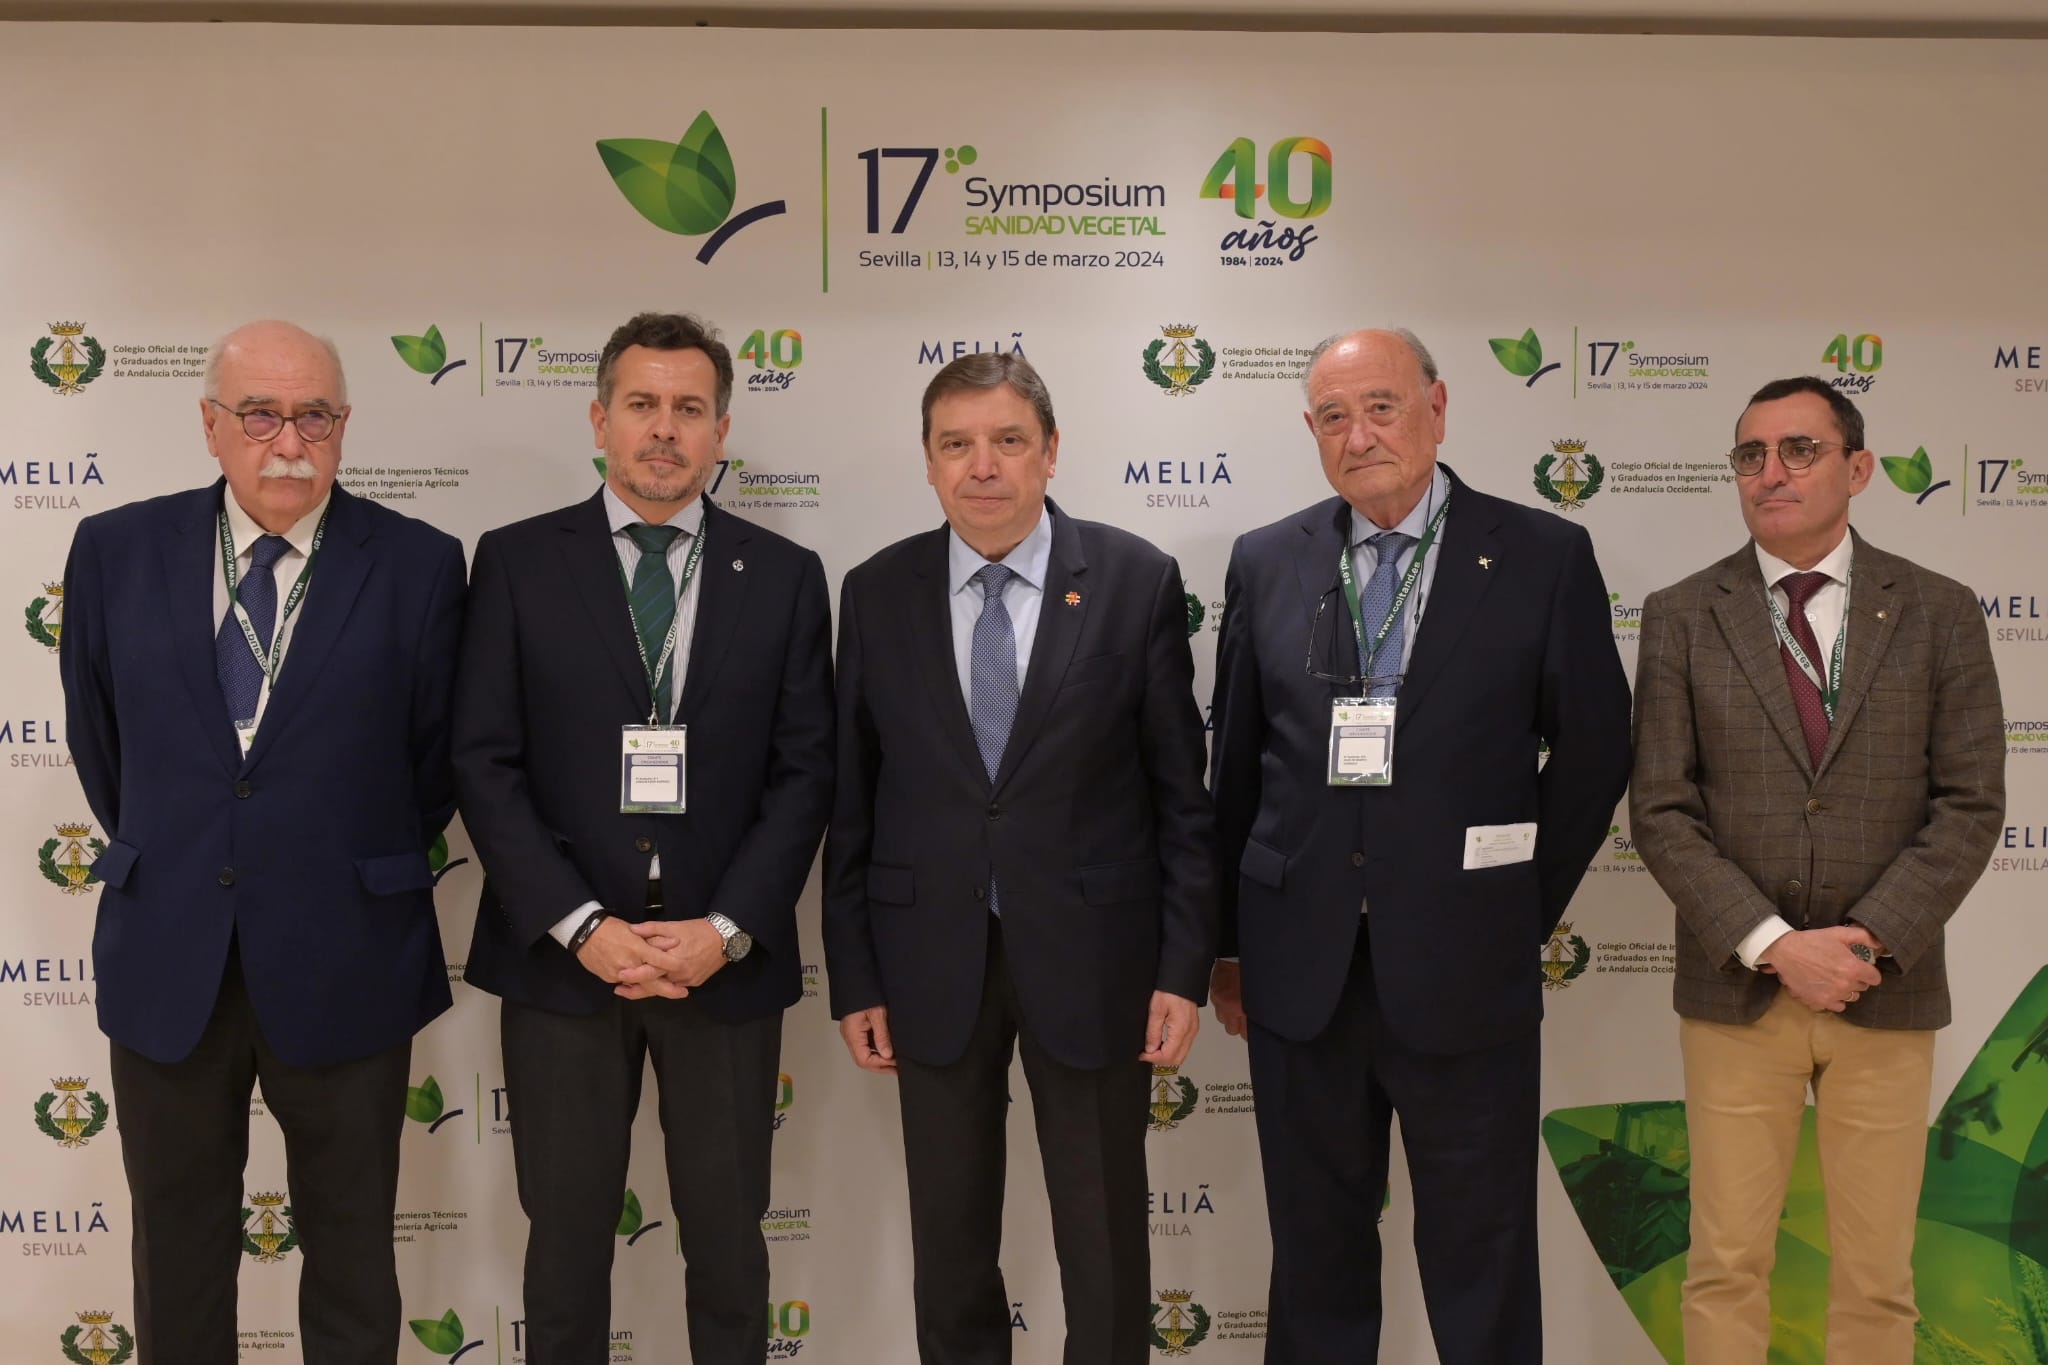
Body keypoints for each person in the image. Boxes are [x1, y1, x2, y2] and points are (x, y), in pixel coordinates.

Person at [1207, 328, 1632, 1364]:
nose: (1358, 436)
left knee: (1481, 1263)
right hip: (1299, 975)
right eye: (1332, 417)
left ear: (1436, 410)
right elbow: (1237, 766)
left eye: (1380, 408)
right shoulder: (1266, 559)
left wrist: (1511, 907)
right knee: (1314, 1262)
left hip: (1466, 969)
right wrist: (1226, 944)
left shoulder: (1541, 555)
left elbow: (1592, 755)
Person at [58, 320, 465, 1365]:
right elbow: (104, 745)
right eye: (260, 414)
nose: (289, 441)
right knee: (178, 1254)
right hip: (170, 949)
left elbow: (431, 767)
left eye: (314, 416)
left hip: (349, 951)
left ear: (344, 426)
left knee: (352, 1253)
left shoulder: (420, 564)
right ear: (211, 425)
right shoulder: (114, 551)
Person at [454, 312, 834, 1365]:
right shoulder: (517, 563)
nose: (664, 429)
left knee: (729, 1250)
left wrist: (725, 928)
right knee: (564, 1254)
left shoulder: (786, 574)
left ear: (721, 431)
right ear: (600, 420)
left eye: (688, 408)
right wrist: (580, 925)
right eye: (642, 405)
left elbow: (806, 773)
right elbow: (483, 761)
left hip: (721, 965)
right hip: (564, 967)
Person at [823, 352, 1218, 1365]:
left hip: (1096, 959)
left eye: (1007, 440)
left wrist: (1183, 968)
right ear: (927, 461)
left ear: (1049, 452)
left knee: (1104, 1241)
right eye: (956, 444)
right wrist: (855, 974)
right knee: (949, 1243)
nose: (983, 466)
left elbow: (1181, 798)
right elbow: (852, 804)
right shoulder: (875, 592)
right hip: (928, 959)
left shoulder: (1131, 581)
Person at [1630, 376, 2005, 1362]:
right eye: (1750, 454)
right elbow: (1660, 808)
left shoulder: (1938, 610)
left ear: (1857, 467)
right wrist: (1774, 945)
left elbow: (1970, 802)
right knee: (1723, 1264)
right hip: (1737, 989)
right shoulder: (1680, 614)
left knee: (1877, 1278)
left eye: (1798, 449)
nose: (1771, 472)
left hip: (1883, 986)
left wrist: (1863, 941)